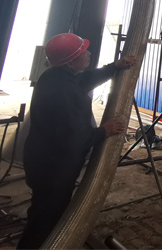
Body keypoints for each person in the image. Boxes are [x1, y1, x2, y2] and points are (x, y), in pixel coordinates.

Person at [17, 33, 137, 249]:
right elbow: (74, 139)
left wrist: (114, 67)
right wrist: (103, 131)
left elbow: (84, 80)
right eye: (83, 52)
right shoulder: (66, 94)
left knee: (43, 212)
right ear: (71, 62)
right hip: (54, 169)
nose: (89, 53)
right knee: (45, 220)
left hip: (41, 160)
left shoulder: (54, 76)